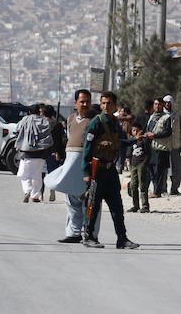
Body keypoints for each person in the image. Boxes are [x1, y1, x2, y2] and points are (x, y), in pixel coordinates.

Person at [81, 91, 139, 249]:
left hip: (111, 170)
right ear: (100, 104)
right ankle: (89, 236)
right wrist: (86, 173)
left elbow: (120, 142)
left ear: (114, 105)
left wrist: (135, 140)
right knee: (93, 205)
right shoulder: (96, 123)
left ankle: (122, 239)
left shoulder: (115, 123)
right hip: (96, 170)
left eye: (109, 103)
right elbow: (87, 148)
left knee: (117, 207)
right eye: (103, 103)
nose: (106, 106)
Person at [45, 89, 100, 243]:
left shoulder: (95, 120)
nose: (85, 104)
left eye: (88, 101)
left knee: (88, 199)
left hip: (85, 163)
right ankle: (73, 233)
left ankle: (89, 234)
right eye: (82, 101)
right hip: (70, 162)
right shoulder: (70, 119)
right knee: (71, 199)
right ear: (75, 103)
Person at [14, 104, 54, 203]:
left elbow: (16, 130)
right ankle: (35, 196)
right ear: (39, 112)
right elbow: (47, 133)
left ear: (29, 112)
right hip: (40, 153)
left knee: (25, 175)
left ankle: (27, 191)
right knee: (37, 175)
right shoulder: (43, 121)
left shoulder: (24, 120)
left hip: (26, 153)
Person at [146, 97, 172, 198]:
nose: (157, 106)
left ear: (163, 105)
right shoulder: (152, 116)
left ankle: (157, 192)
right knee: (151, 169)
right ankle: (155, 190)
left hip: (161, 148)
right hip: (152, 148)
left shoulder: (166, 117)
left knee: (159, 171)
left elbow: (168, 132)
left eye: (159, 104)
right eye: (156, 104)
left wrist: (154, 135)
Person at [126, 122, 151, 213]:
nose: (135, 132)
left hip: (141, 164)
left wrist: (144, 163)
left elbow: (148, 153)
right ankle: (135, 205)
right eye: (133, 130)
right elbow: (129, 152)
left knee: (142, 185)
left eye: (137, 130)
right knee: (133, 185)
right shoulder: (132, 140)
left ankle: (145, 205)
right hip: (133, 165)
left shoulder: (144, 140)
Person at [164, 95, 181, 196]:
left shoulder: (177, 115)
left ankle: (174, 188)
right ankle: (162, 189)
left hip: (175, 145)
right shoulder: (161, 115)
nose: (167, 104)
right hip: (165, 146)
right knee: (164, 168)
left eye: (169, 102)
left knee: (177, 168)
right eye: (165, 102)